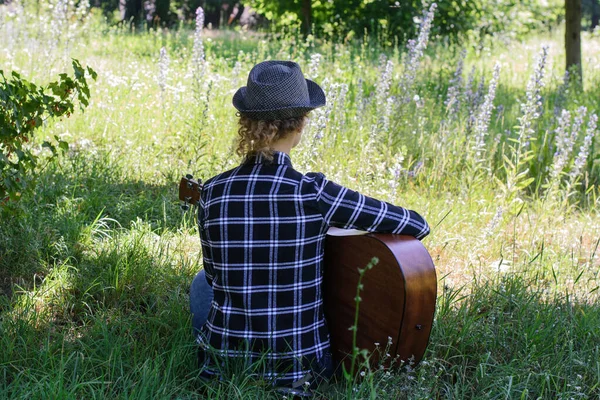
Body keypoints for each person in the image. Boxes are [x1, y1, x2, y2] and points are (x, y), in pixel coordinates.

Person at [189, 60, 430, 393]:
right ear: (300, 125)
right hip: (301, 374)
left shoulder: (212, 191)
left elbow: (216, 277)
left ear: (245, 123)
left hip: (224, 370)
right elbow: (415, 223)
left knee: (202, 282)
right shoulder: (313, 192)